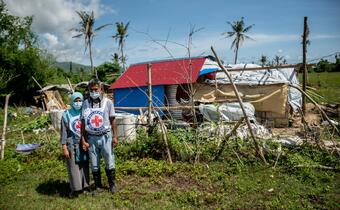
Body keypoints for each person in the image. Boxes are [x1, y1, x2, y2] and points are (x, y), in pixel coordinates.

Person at [81, 78, 118, 193]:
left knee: (109, 161)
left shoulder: (108, 102)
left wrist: (115, 136)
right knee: (94, 163)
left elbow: (113, 120)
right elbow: (83, 123)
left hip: (105, 137)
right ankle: (97, 185)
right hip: (91, 138)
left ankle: (112, 184)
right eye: (91, 90)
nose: (93, 92)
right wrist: (83, 139)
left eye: (96, 89)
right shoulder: (86, 104)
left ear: (101, 89)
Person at [60, 92, 90, 198]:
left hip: (83, 143)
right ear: (72, 102)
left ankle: (85, 186)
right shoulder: (66, 115)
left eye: (80, 100)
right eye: (76, 101)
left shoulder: (84, 113)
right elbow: (63, 133)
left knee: (84, 166)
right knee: (73, 167)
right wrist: (64, 147)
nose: (78, 103)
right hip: (71, 144)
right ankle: (75, 189)